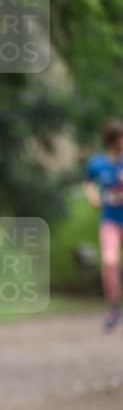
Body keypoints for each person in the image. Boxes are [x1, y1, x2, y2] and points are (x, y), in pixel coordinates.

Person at [83, 120, 123, 332]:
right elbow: (87, 182)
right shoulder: (97, 163)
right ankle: (114, 307)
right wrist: (93, 197)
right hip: (110, 220)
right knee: (109, 262)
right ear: (113, 140)